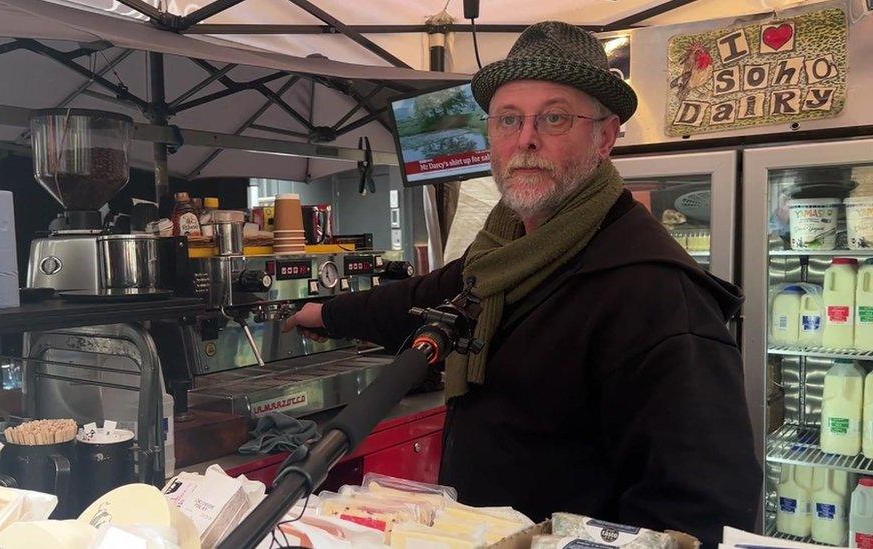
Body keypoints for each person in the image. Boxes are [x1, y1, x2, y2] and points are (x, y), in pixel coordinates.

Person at [284, 21, 761, 543]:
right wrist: (325, 314)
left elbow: (699, 510)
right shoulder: (502, 254)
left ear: (605, 136)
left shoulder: (656, 294)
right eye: (508, 119)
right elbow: (420, 300)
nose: (525, 139)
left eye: (554, 118)